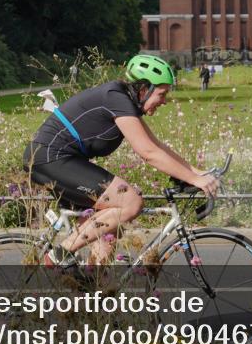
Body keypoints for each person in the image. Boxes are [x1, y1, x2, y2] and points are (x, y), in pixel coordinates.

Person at [23, 55, 219, 268]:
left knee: (109, 232)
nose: (164, 101)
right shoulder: (115, 98)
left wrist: (196, 173)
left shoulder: (125, 104)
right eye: (162, 93)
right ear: (144, 89)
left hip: (64, 159)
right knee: (130, 201)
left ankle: (92, 291)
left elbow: (158, 146)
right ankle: (58, 255)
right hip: (50, 158)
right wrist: (193, 178)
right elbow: (148, 152)